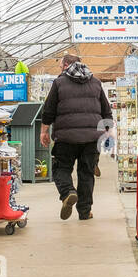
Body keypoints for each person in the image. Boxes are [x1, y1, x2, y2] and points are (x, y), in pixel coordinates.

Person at [39, 54, 112, 220]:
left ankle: (67, 193)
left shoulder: (59, 83)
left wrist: (44, 131)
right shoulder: (96, 82)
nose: (60, 70)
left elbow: (49, 110)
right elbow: (106, 110)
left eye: (60, 66)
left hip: (66, 137)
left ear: (65, 65)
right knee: (86, 174)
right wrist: (107, 132)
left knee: (61, 168)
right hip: (92, 137)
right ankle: (85, 212)